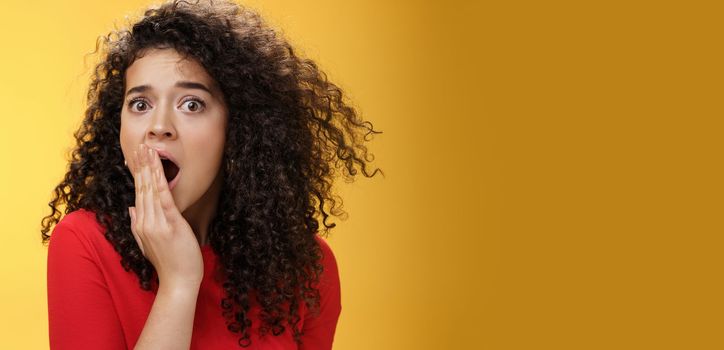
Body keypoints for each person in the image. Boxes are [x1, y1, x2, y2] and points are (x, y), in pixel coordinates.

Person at [40, 0, 383, 349]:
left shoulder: (307, 268)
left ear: (239, 127)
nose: (159, 127)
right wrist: (178, 283)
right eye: (140, 104)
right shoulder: (84, 241)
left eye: (191, 104)